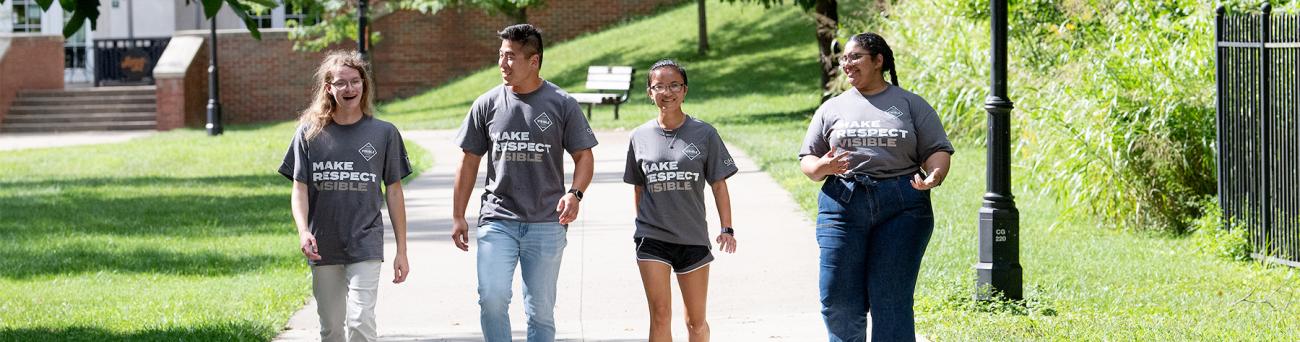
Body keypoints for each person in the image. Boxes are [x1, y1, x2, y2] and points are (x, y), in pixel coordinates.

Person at [798, 32, 955, 342]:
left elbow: (937, 149)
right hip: (842, 204)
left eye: (855, 57)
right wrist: (821, 168)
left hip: (903, 205)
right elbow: (809, 159)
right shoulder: (832, 108)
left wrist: (934, 175)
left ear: (878, 60)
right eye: (844, 58)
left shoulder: (910, 104)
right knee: (838, 298)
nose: (847, 63)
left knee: (891, 299)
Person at [450, 23, 599, 342]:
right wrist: (458, 215)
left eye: (511, 57)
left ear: (534, 61)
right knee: (491, 299)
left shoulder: (562, 103)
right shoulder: (487, 104)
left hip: (547, 221)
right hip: (497, 219)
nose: (502, 64)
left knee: (540, 311)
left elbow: (584, 156)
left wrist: (575, 194)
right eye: (501, 55)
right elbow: (468, 161)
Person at [279, 50, 412, 342]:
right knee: (331, 328)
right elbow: (299, 188)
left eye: (355, 81)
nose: (349, 88)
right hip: (323, 243)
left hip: (365, 241)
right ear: (329, 87)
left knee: (361, 320)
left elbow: (394, 191)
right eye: (341, 83)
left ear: (364, 84)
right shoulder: (309, 134)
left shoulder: (384, 133)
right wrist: (303, 232)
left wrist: (401, 250)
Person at [623, 59, 739, 342]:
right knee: (660, 315)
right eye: (659, 86)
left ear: (685, 90)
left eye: (674, 85)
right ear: (650, 93)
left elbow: (718, 184)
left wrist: (727, 228)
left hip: (692, 237)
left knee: (695, 323)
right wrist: (642, 225)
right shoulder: (639, 136)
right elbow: (639, 187)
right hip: (652, 237)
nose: (667, 92)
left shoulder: (705, 134)